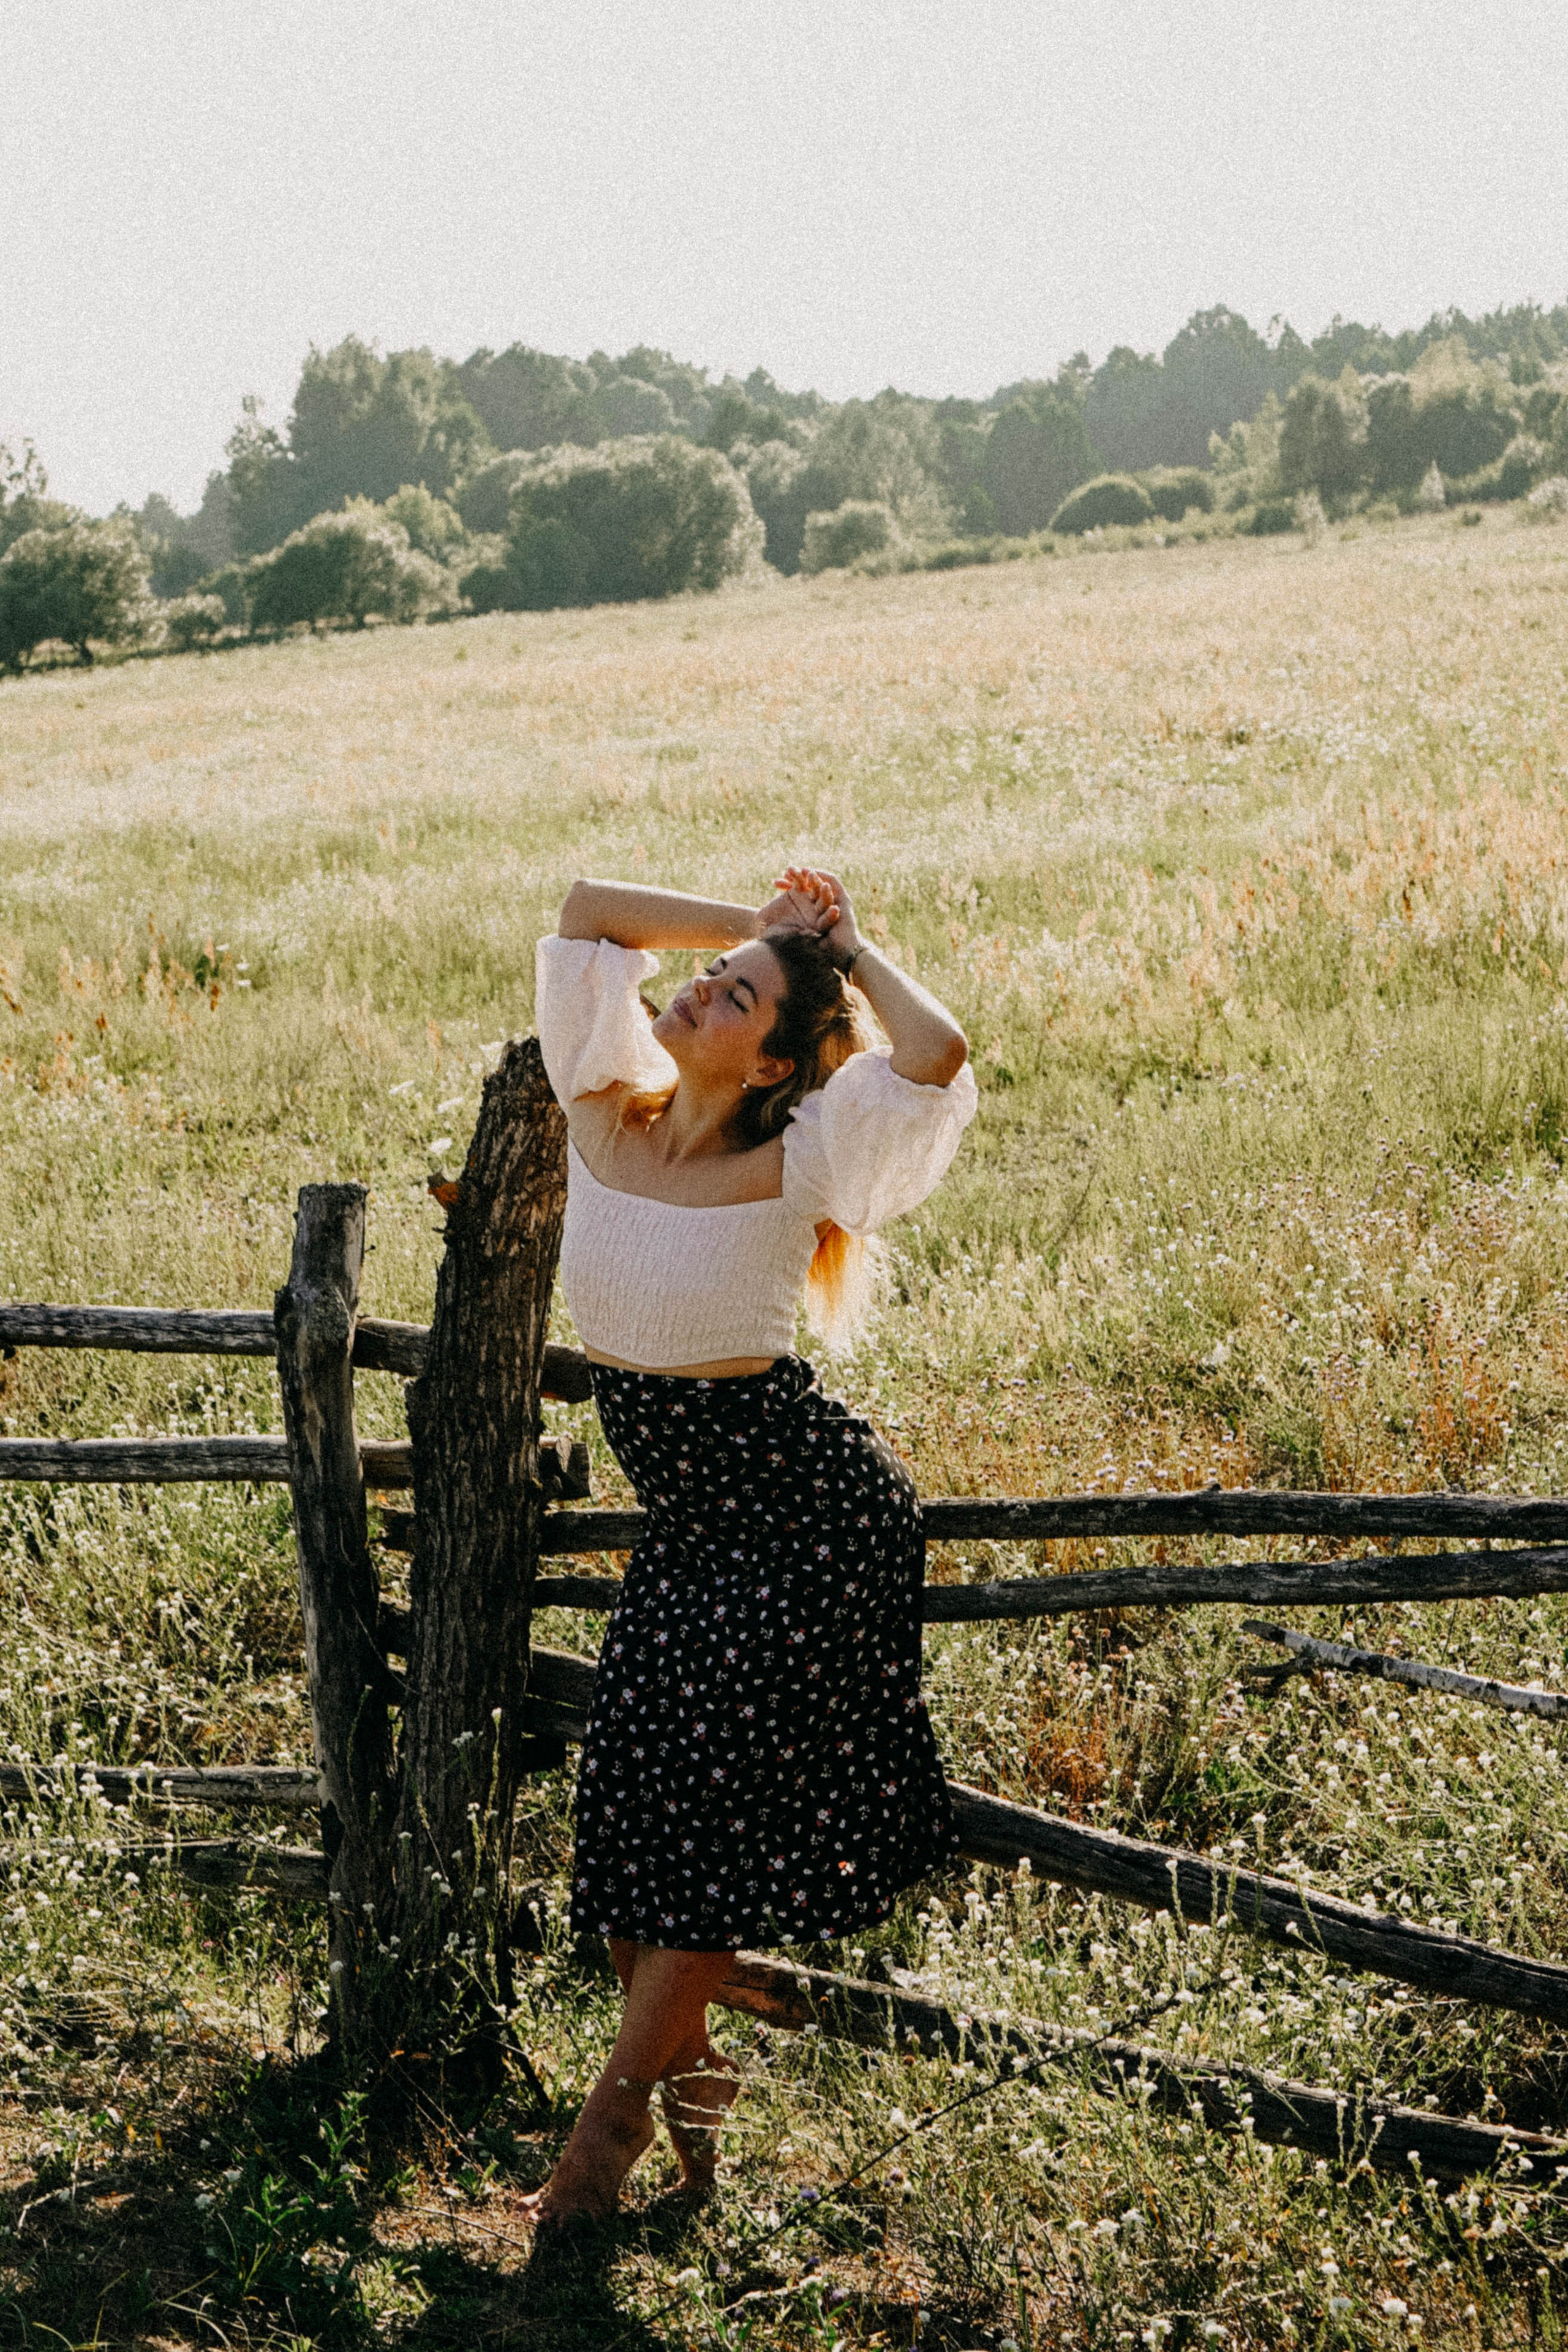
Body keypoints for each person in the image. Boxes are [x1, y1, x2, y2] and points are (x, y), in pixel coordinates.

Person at [522, 865, 977, 2228]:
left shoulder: (802, 1162)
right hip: (694, 1528)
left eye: (736, 1000)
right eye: (710, 979)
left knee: (704, 1832)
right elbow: (586, 909)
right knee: (627, 1831)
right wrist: (761, 931)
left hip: (805, 1522)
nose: (701, 989)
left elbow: (935, 1055)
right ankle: (691, 2081)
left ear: (775, 1063)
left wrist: (851, 948)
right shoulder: (601, 1103)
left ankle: (605, 2130)